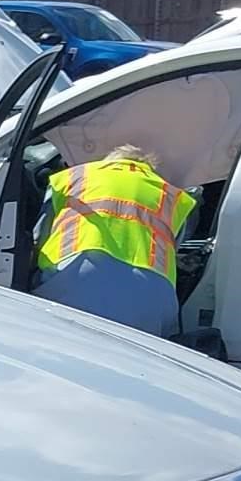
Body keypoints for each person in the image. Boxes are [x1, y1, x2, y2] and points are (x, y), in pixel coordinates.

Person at [32, 142, 195, 337]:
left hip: (79, 272)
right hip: (152, 293)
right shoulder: (170, 196)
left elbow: (39, 235)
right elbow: (171, 247)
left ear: (109, 161)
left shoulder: (77, 177)